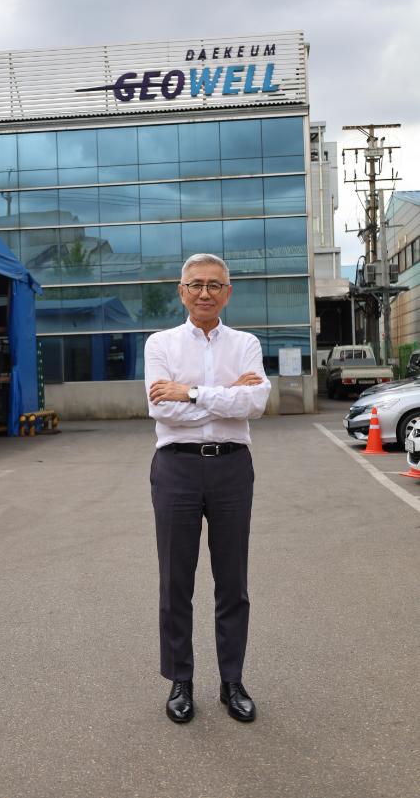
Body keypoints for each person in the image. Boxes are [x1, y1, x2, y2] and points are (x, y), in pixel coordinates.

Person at [144, 253, 271, 724]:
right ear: (181, 292)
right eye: (195, 284)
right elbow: (162, 409)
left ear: (227, 293)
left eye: (214, 285)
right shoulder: (160, 344)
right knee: (175, 581)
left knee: (232, 582)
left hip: (232, 468)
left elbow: (255, 403)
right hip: (175, 468)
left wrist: (192, 391)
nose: (204, 292)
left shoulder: (246, 343)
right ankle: (180, 680)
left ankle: (231, 681)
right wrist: (227, 395)